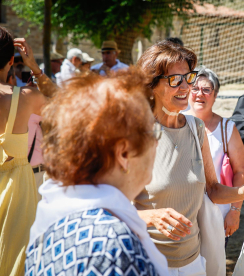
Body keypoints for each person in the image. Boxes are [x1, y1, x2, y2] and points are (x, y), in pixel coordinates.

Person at [135, 40, 244, 274]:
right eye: (175, 79)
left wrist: (242, 193)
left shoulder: (195, 128)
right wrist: (152, 216)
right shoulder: (136, 134)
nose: (186, 87)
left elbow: (212, 190)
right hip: (148, 262)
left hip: (193, 262)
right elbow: (113, 207)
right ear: (151, 85)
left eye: (189, 77)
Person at [25, 68, 170, 276]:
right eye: (152, 131)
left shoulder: (53, 217)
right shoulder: (114, 246)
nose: (157, 142)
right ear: (123, 153)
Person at [0, 29, 56, 275]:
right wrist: (35, 68)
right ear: (12, 60)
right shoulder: (27, 98)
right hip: (18, 197)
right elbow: (68, 105)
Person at [186, 67, 244, 242]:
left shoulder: (226, 128)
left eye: (207, 90)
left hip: (216, 212)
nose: (200, 94)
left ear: (215, 95)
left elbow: (241, 171)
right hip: (184, 211)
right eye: (195, 88)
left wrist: (235, 211)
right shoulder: (177, 123)